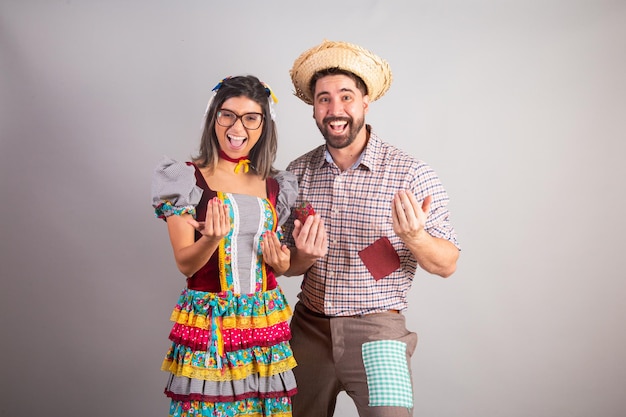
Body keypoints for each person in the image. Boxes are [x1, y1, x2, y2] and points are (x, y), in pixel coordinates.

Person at [282, 40, 461, 417]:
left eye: (346, 97)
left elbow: (447, 264)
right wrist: (303, 255)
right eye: (324, 99)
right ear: (313, 109)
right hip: (308, 329)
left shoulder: (412, 174)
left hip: (378, 330)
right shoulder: (295, 175)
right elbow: (286, 266)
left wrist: (416, 237)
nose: (335, 109)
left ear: (365, 102)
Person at [151, 75, 299, 417]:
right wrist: (212, 239)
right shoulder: (187, 179)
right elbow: (186, 264)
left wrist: (284, 261)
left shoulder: (276, 186)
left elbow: (279, 263)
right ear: (213, 117)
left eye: (251, 117)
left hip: (263, 321)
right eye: (227, 114)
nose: (238, 126)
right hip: (212, 321)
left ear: (264, 125)